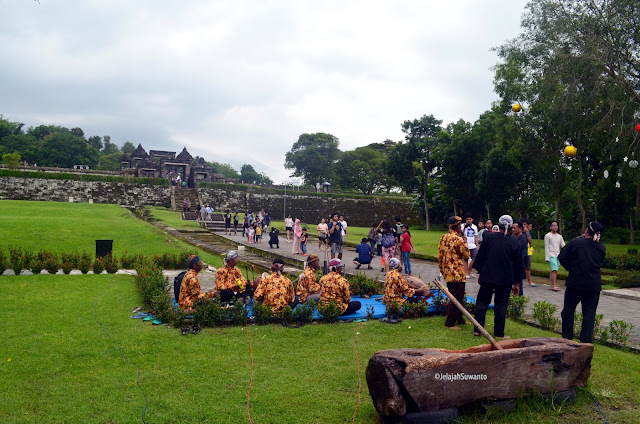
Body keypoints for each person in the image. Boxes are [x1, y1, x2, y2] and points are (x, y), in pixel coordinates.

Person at [472, 215, 523, 339]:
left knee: (482, 302)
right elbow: (518, 265)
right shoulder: (513, 243)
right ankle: (499, 333)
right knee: (501, 305)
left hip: (488, 276)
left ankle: (478, 329)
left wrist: (480, 273)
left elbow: (481, 257)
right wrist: (517, 283)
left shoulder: (489, 238)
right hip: (504, 279)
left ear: (498, 224)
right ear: (511, 227)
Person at [559, 222, 606, 343]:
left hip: (575, 283)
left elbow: (562, 257)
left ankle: (567, 339)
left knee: (568, 311)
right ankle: (585, 342)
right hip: (593, 285)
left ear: (586, 230)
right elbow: (600, 263)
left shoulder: (575, 243)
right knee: (589, 315)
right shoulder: (601, 247)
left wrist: (572, 268)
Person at [438, 216, 470, 330]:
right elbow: (466, 255)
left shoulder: (443, 237)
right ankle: (450, 322)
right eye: (460, 225)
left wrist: (442, 270)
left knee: (455, 297)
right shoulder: (458, 239)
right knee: (457, 298)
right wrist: (465, 243)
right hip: (457, 274)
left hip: (447, 272)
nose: (461, 227)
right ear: (456, 227)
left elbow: (440, 255)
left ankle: (459, 319)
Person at [544, 221, 566, 292]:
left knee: (554, 271)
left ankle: (552, 285)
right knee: (554, 270)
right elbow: (546, 247)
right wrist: (547, 257)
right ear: (550, 227)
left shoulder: (559, 236)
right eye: (553, 225)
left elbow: (563, 246)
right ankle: (554, 285)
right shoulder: (548, 236)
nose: (555, 227)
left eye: (556, 225)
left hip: (558, 255)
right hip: (551, 255)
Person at [511, 221, 528, 297]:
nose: (513, 230)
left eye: (515, 228)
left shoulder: (523, 238)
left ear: (520, 228)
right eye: (512, 228)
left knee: (518, 282)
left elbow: (517, 248)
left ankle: (519, 298)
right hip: (511, 262)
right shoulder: (512, 237)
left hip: (518, 262)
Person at [463, 213, 479, 278]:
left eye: (470, 219)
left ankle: (470, 271)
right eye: (467, 219)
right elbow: (461, 234)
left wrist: (477, 245)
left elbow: (476, 236)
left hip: (473, 245)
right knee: (465, 259)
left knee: (474, 258)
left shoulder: (474, 227)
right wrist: (464, 227)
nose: (469, 220)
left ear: (472, 220)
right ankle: (466, 273)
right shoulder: (462, 226)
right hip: (465, 245)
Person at [523, 219, 536, 287]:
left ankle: (529, 281)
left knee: (528, 268)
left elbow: (530, 241)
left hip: (526, 252)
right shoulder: (517, 231)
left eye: (526, 224)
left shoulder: (527, 232)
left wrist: (527, 233)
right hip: (520, 252)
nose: (524, 226)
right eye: (523, 224)